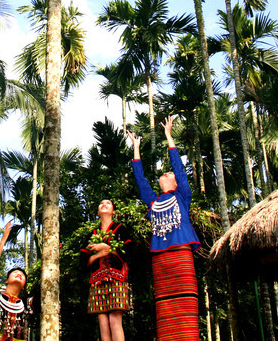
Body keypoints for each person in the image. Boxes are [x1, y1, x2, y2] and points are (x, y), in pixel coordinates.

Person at [129, 116, 201, 341]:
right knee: (165, 307)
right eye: (166, 172)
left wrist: (169, 136)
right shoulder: (153, 201)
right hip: (161, 260)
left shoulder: (182, 196)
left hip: (181, 255)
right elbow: (140, 180)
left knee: (186, 305)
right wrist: (136, 148)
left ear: (176, 182)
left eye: (169, 174)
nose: (166, 173)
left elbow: (179, 168)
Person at [79, 199, 132, 341]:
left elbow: (128, 252)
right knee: (103, 322)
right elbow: (83, 260)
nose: (104, 205)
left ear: (113, 211)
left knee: (115, 320)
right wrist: (98, 255)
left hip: (116, 278)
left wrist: (106, 247)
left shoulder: (120, 229)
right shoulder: (92, 234)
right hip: (97, 280)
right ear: (98, 212)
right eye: (101, 203)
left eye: (108, 204)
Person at [0, 221, 39, 341]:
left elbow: (43, 290)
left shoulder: (26, 304)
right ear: (6, 281)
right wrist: (3, 241)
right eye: (15, 272)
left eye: (22, 275)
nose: (19, 274)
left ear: (24, 286)